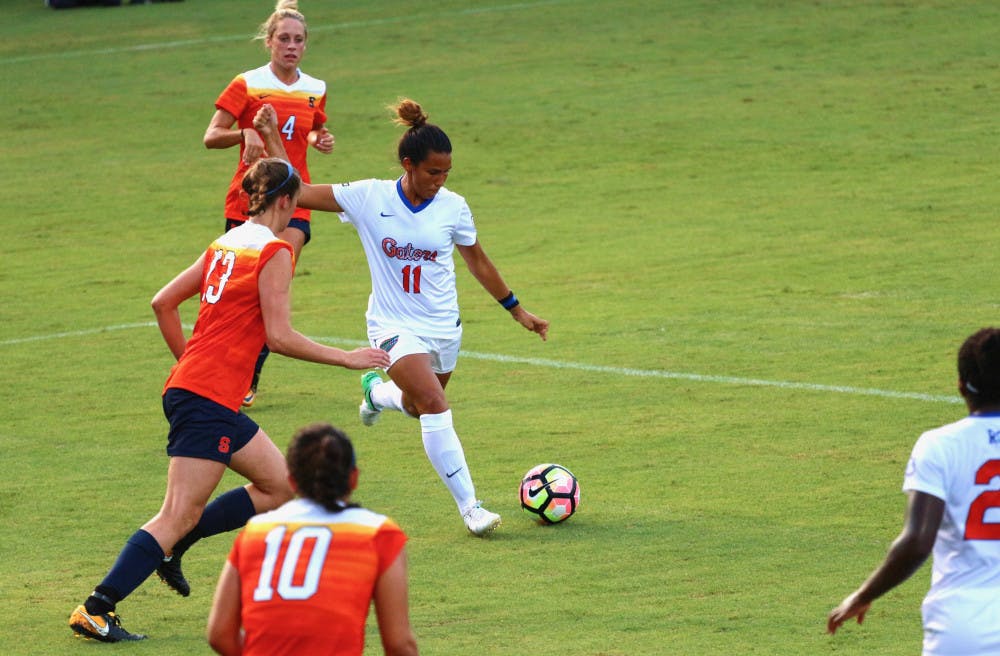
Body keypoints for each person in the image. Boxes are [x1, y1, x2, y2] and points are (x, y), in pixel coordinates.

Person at [67, 158, 390, 643]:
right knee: (176, 513)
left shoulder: (225, 243)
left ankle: (176, 547)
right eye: (298, 200)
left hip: (201, 392)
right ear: (287, 200)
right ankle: (97, 608)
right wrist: (346, 358)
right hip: (206, 397)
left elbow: (163, 302)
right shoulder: (276, 251)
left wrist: (190, 366)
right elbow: (278, 336)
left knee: (282, 485)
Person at [253, 99, 549, 536]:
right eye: (433, 172)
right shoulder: (368, 196)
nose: (440, 181)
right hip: (392, 326)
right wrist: (274, 139)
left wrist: (516, 310)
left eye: (447, 172)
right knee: (434, 403)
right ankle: (472, 508)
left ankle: (377, 396)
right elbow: (298, 192)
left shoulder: (454, 206)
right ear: (408, 165)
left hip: (443, 327)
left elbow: (478, 262)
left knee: (415, 405)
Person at [827, 327, 1000, 655]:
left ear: (961, 385)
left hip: (963, 629)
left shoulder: (940, 445)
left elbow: (918, 541)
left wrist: (863, 595)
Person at [204, 0, 333, 407]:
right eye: (283, 39)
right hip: (251, 199)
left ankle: (247, 378)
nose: (290, 46)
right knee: (242, 294)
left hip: (296, 199)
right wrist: (244, 134)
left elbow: (310, 131)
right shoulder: (247, 83)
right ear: (269, 42)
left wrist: (319, 140)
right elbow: (211, 135)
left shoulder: (316, 89)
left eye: (298, 40)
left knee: (272, 290)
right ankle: (226, 370)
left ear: (305, 45)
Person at [207, 422, 419, 656]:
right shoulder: (379, 534)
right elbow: (399, 645)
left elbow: (220, 634)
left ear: (292, 480)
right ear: (354, 478)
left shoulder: (256, 532)